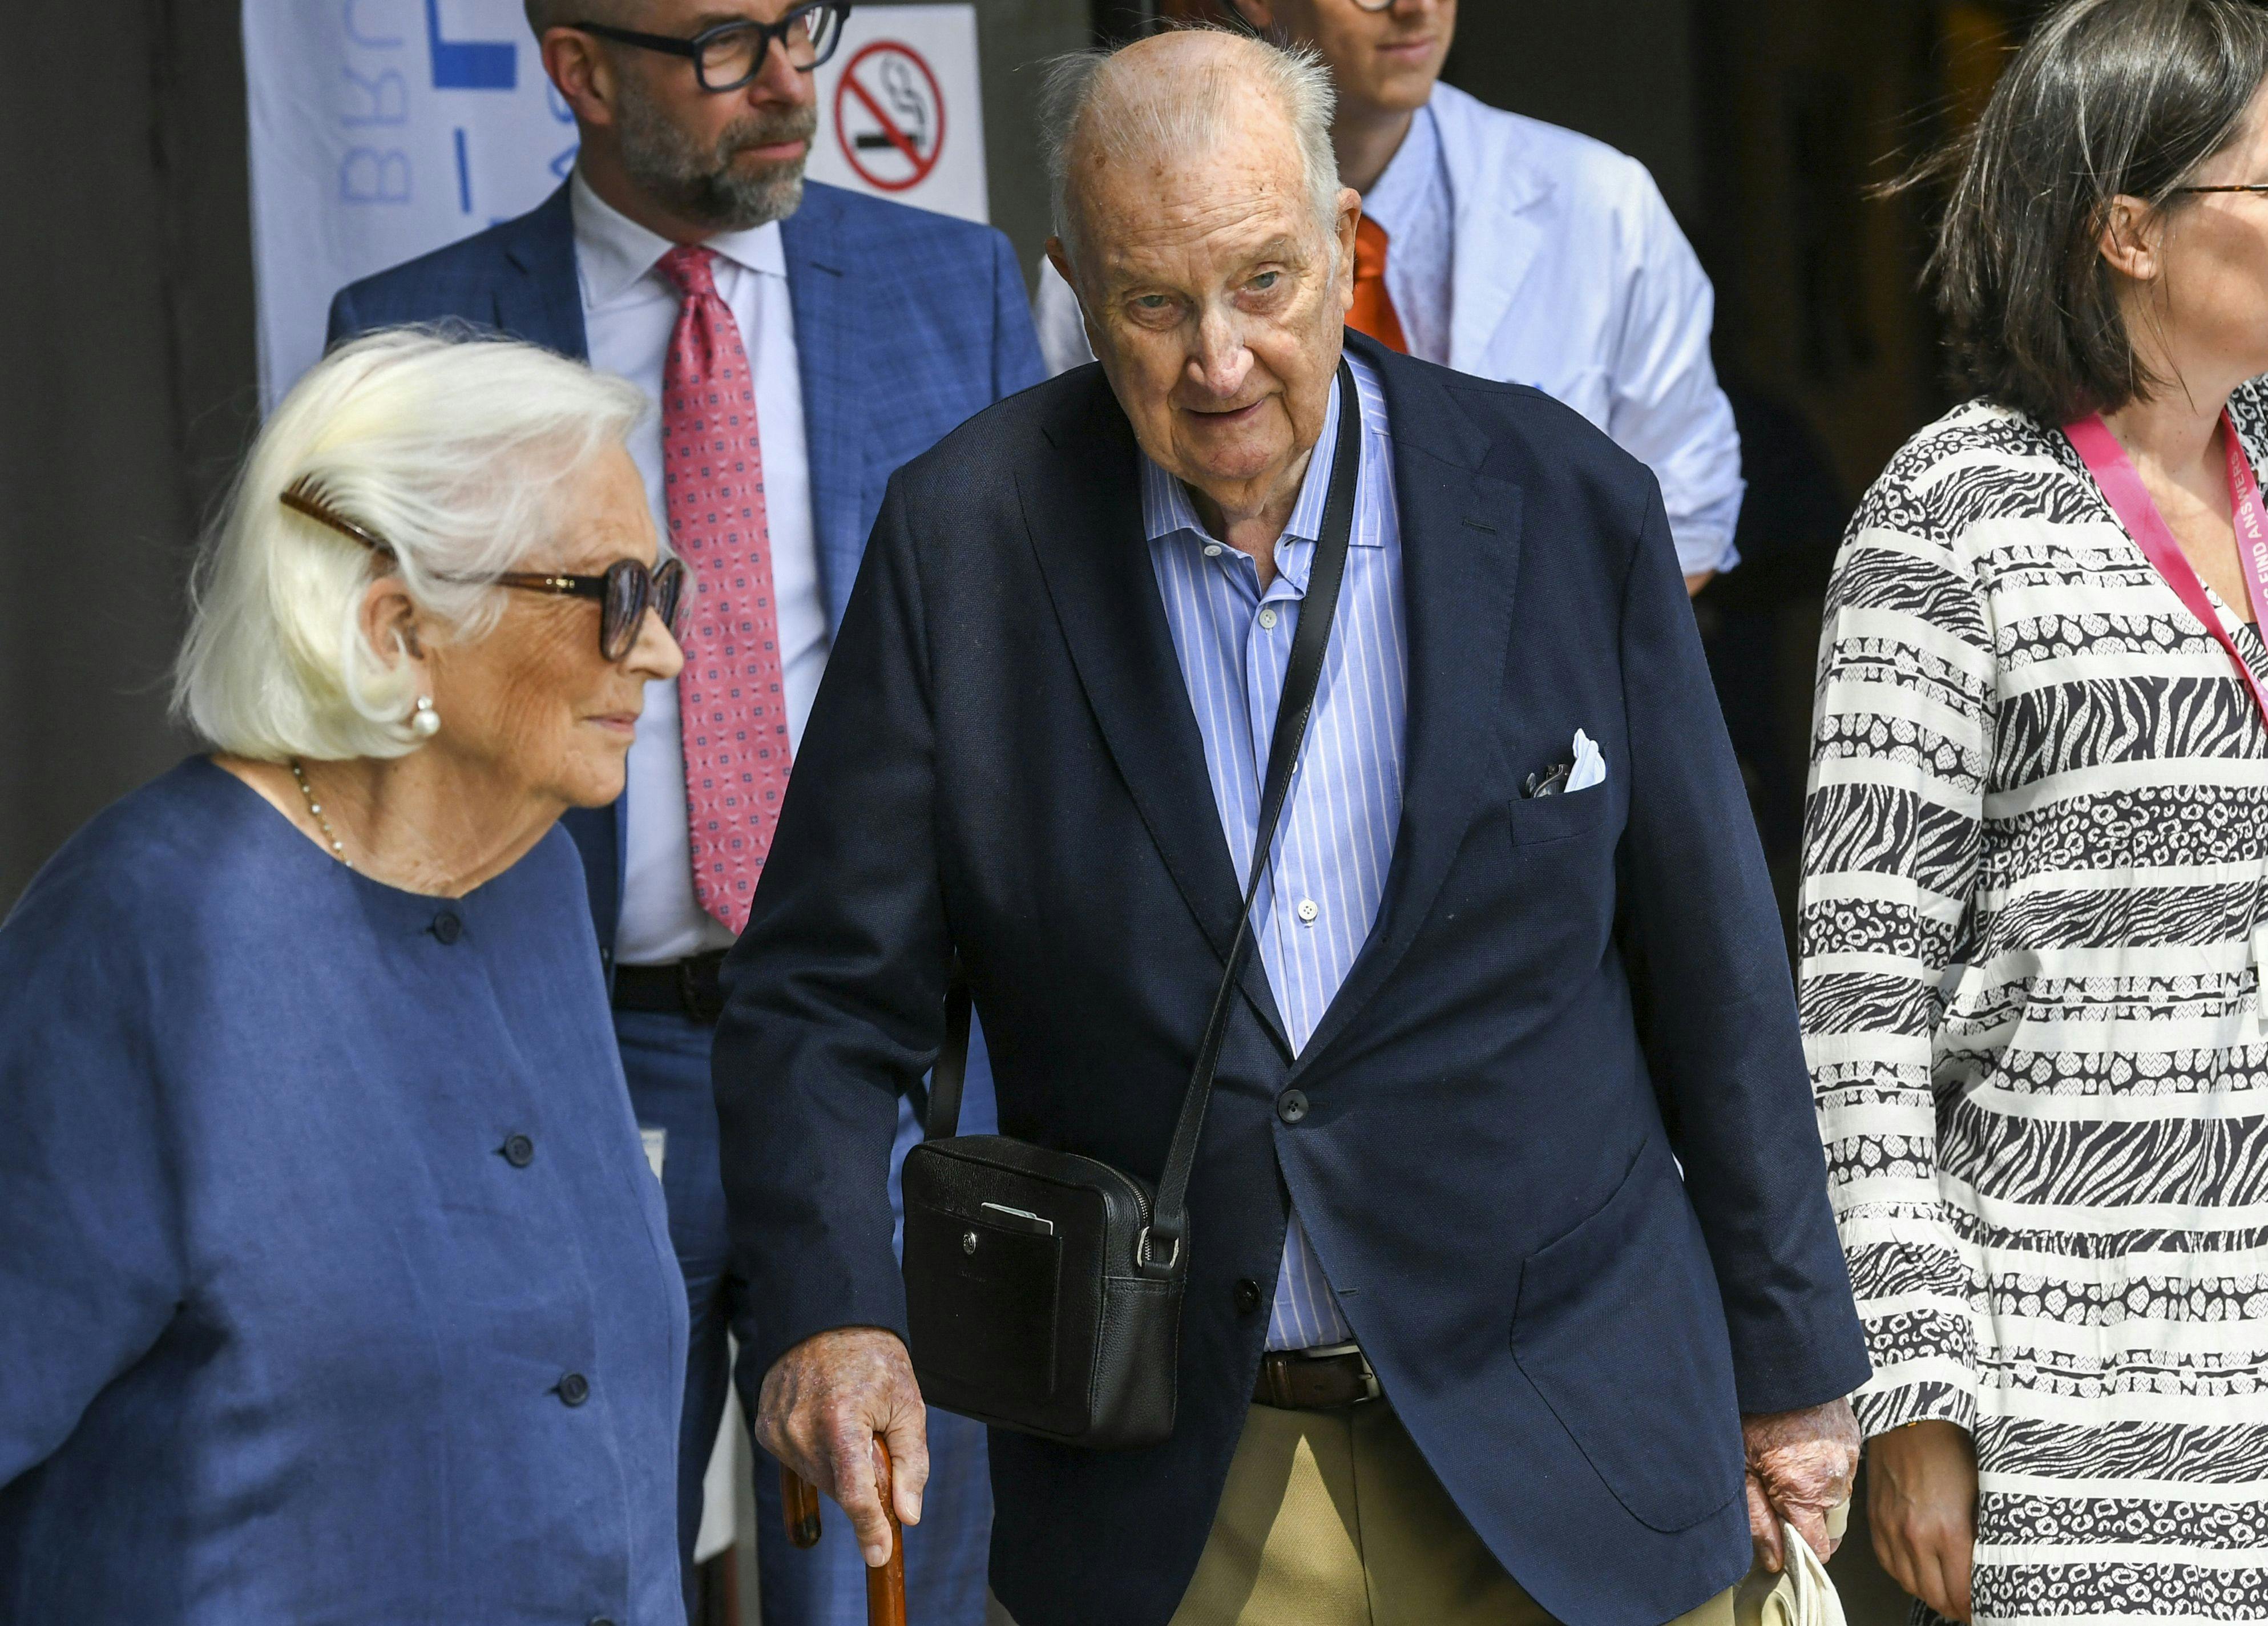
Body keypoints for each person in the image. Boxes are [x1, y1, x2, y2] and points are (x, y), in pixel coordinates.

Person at [715, 28, 1869, 1626]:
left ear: (1341, 244)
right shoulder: (964, 543)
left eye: (1261, 282)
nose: (1218, 359)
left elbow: (1715, 976)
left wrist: (1793, 1370)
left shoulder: (1559, 503)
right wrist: (833, 1310)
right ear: (1069, 286)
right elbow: (819, 1003)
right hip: (1183, 1489)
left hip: (1571, 1439)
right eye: (1151, 303)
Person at [328, 3, 1044, 1619]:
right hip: (575, 1060)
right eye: (722, 46)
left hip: (880, 1071)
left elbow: (1028, 707)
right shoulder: (418, 338)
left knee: (890, 1589)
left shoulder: (953, 291)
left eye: (799, 21)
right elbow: (370, 743)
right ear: (578, 69)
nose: (791, 79)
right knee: (582, 1572)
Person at [0, 329, 688, 1623]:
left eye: (667, 592)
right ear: (398, 626)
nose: (660, 653)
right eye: (610, 596)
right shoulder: (145, 932)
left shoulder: (532, 872)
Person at [1798, 2, 2268, 1620]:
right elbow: (1857, 1007)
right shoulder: (1947, 514)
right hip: (2077, 1397)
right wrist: (1913, 1396)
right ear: (2126, 230)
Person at [1032, 0, 1744, 595]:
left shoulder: (1599, 201)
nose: (1414, 7)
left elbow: (1684, 515)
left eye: (1263, 281)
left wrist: (1522, 679)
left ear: (1343, 244)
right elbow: (1079, 506)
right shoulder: (1124, 255)